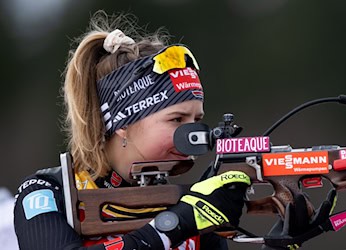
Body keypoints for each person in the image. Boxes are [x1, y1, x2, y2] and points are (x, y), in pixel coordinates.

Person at [13, 11, 251, 250]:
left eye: (197, 119)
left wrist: (283, 235)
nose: (193, 136)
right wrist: (176, 225)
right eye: (176, 119)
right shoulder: (48, 192)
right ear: (123, 123)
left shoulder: (183, 201)